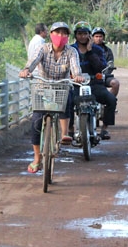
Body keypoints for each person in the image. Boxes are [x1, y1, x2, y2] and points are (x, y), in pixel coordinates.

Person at [19, 22, 84, 174]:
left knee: (67, 99)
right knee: (35, 121)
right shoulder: (43, 48)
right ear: (51, 35)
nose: (60, 36)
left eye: (64, 33)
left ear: (68, 37)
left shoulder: (71, 51)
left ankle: (64, 133)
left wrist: (77, 76)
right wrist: (26, 70)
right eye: (57, 33)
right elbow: (33, 61)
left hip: (62, 86)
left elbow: (75, 67)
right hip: (43, 88)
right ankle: (36, 158)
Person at [70, 21, 117, 140]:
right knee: (68, 101)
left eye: (85, 33)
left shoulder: (97, 50)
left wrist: (90, 51)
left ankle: (105, 129)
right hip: (76, 85)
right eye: (79, 33)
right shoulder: (70, 50)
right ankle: (70, 129)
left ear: (89, 35)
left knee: (111, 99)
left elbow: (100, 67)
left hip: (95, 84)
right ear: (75, 35)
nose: (82, 36)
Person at [91, 27, 120, 97]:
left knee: (115, 83)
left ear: (103, 38)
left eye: (100, 36)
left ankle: (109, 101)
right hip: (90, 77)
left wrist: (103, 75)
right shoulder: (88, 49)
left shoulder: (108, 51)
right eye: (96, 36)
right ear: (92, 38)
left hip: (104, 76)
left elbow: (110, 64)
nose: (98, 38)